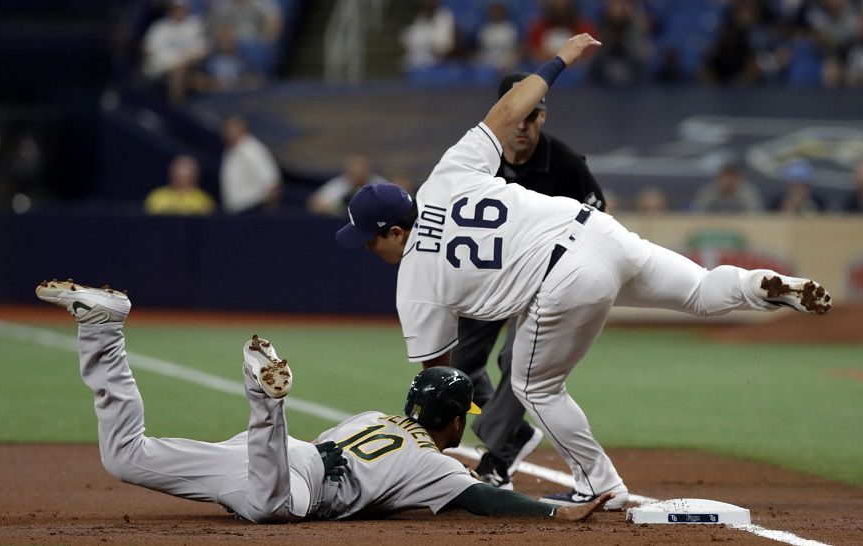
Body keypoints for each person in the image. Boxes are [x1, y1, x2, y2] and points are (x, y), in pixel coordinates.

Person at [334, 33, 832, 511]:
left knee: (536, 388)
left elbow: (440, 376)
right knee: (702, 289)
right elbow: (508, 112)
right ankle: (760, 285)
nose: (368, 248)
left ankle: (601, 485)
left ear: (396, 232)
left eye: (369, 238)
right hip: (596, 230)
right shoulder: (446, 174)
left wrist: (437, 437)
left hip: (565, 276)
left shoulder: (415, 283)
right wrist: (562, 58)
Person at [33, 279, 612, 523]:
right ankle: (264, 396)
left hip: (277, 457)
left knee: (125, 457)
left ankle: (103, 331)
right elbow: (486, 501)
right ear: (457, 421)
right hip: (291, 480)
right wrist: (556, 511)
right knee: (268, 510)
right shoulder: (436, 466)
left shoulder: (375, 417)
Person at [453, 71, 608, 491]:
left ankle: (498, 457)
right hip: (489, 278)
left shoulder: (565, 163)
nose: (522, 126)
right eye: (516, 116)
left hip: (543, 280)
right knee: (458, 366)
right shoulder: (475, 158)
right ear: (500, 116)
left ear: (542, 117)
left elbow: (599, 223)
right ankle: (514, 432)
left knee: (515, 362)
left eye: (531, 116)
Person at [141, 0, 209, 103]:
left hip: (187, 65)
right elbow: (146, 48)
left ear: (187, 9)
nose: (179, 12)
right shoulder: (160, 27)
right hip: (162, 66)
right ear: (171, 10)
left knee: (178, 74)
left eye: (181, 9)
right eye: (176, 9)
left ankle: (176, 105)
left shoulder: (194, 25)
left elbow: (203, 50)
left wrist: (183, 62)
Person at [220, 116, 282, 214]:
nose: (228, 132)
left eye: (231, 129)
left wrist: (269, 209)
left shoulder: (252, 149)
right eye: (226, 129)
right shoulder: (229, 151)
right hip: (236, 209)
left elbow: (271, 179)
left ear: (242, 129)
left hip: (253, 208)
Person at [307, 154, 388, 217]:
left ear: (367, 170)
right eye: (354, 172)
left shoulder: (380, 184)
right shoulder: (339, 185)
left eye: (360, 171)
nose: (357, 175)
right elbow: (314, 203)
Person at [144, 154, 216, 215]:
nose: (182, 181)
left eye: (186, 177)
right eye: (178, 177)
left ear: (195, 178)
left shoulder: (203, 201)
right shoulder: (157, 197)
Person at [400, 0, 457, 70]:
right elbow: (409, 46)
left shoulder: (446, 17)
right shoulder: (419, 19)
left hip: (439, 66)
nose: (427, 2)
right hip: (418, 65)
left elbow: (445, 49)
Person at [690, 161, 765, 213]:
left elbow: (756, 214)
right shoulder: (708, 192)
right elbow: (697, 213)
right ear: (719, 178)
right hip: (713, 226)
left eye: (733, 177)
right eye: (726, 177)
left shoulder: (748, 192)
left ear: (739, 178)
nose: (729, 181)